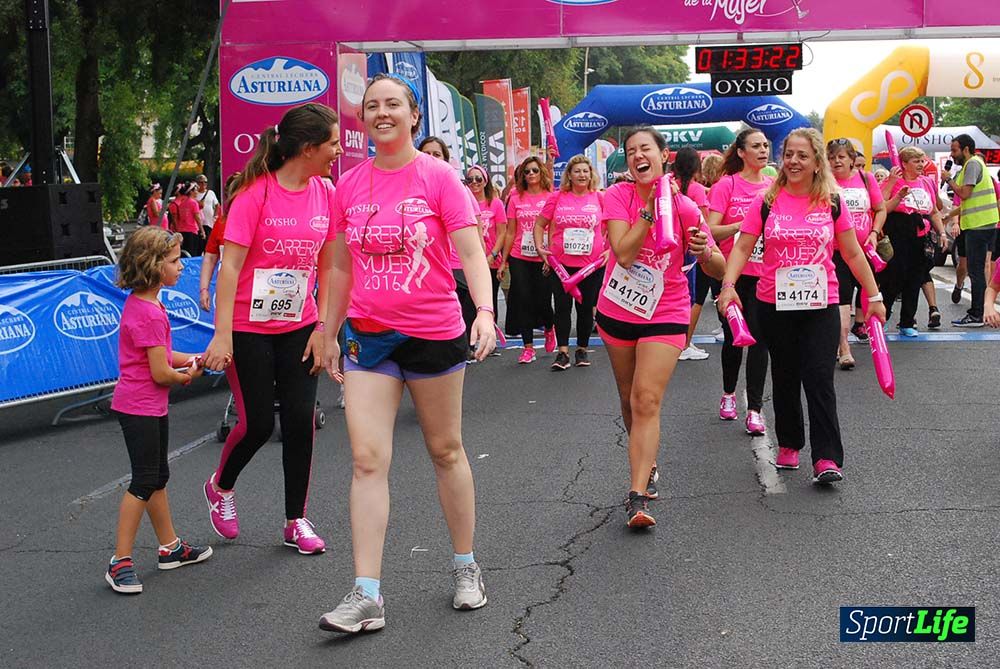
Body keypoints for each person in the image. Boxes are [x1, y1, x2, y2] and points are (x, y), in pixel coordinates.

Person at [317, 73, 496, 633]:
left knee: (445, 452)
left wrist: (485, 312)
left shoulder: (439, 176)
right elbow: (341, 265)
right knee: (368, 460)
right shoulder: (349, 184)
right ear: (362, 118)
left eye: (393, 103)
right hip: (369, 338)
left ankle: (466, 566)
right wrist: (327, 328)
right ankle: (366, 593)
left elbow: (470, 249)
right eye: (372, 106)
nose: (382, 112)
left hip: (433, 331)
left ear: (414, 115)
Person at [200, 103, 341, 555]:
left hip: (299, 325)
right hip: (248, 327)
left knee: (300, 422)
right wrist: (222, 334)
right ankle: (221, 486)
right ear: (308, 147)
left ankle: (295, 520)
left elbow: (329, 263)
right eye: (333, 143)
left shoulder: (326, 192)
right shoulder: (254, 194)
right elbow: (230, 266)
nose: (338, 151)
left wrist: (323, 326)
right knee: (258, 423)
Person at [719, 128, 886, 484]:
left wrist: (874, 297)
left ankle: (826, 457)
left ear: (816, 163)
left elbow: (852, 252)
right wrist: (729, 286)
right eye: (789, 155)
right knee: (785, 375)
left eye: (802, 156)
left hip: (821, 302)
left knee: (819, 378)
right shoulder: (767, 200)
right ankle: (790, 444)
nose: (794, 162)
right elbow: (743, 246)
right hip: (773, 303)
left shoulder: (832, 199)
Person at [597, 127, 724, 528]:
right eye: (631, 150)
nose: (637, 155)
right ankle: (646, 459)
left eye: (645, 148)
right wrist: (649, 210)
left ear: (663, 155)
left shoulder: (687, 208)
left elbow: (718, 268)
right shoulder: (617, 197)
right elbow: (624, 252)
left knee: (646, 399)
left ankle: (637, 497)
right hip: (618, 307)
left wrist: (706, 254)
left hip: (666, 310)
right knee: (627, 395)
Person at [105, 227, 212, 594]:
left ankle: (170, 547)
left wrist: (197, 358)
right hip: (139, 407)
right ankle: (119, 561)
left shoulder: (148, 305)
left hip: (146, 405)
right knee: (144, 480)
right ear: (153, 267)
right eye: (174, 260)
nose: (181, 266)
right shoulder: (149, 313)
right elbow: (161, 372)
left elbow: (164, 356)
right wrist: (190, 375)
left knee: (157, 476)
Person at [706, 128, 773, 435]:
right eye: (756, 146)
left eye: (766, 145)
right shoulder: (726, 185)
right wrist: (744, 226)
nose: (763, 150)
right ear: (742, 152)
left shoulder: (775, 186)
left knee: (760, 341)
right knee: (735, 337)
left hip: (766, 275)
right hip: (734, 274)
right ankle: (729, 393)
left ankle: (756, 409)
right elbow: (711, 232)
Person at [534, 154, 606, 370]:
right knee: (562, 307)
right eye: (577, 171)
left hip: (590, 265)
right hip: (561, 264)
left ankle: (582, 349)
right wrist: (541, 248)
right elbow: (539, 225)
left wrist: (610, 251)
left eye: (585, 171)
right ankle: (563, 352)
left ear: (591, 174)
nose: (582, 175)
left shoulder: (600, 198)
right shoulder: (557, 198)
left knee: (585, 308)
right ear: (570, 175)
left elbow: (614, 226)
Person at [418, 136, 486, 361]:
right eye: (426, 153)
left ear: (446, 160)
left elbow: (476, 229)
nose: (430, 159)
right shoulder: (411, 189)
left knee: (461, 310)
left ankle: (464, 347)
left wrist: (482, 259)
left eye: (436, 154)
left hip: (459, 263)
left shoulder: (458, 188)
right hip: (432, 265)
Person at [827, 138, 887, 369]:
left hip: (865, 250)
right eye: (831, 158)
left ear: (852, 160)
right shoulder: (825, 182)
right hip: (836, 250)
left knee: (867, 293)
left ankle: (870, 335)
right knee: (841, 299)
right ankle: (844, 348)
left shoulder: (866, 178)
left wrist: (874, 232)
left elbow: (880, 209)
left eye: (841, 157)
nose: (836, 162)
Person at [881, 147, 947, 336]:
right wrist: (895, 189)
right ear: (904, 163)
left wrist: (941, 232)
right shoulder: (892, 181)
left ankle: (907, 322)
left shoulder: (926, 182)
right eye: (916, 161)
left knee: (915, 278)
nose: (921, 165)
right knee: (893, 278)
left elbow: (933, 211)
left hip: (920, 234)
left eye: (922, 161)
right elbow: (880, 206)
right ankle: (883, 316)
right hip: (898, 231)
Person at [502, 155, 556, 363]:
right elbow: (510, 232)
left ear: (541, 172)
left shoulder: (550, 196)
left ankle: (549, 327)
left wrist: (549, 254)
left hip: (543, 255)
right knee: (522, 299)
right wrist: (505, 260)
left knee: (542, 299)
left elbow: (554, 228)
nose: (531, 174)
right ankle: (528, 347)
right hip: (519, 255)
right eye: (527, 171)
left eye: (534, 170)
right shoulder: (516, 198)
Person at [943, 134, 999, 326]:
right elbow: (970, 200)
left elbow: (964, 194)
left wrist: (949, 180)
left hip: (979, 225)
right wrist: (950, 215)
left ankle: (977, 314)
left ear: (966, 149)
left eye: (954, 150)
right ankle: (979, 311)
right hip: (983, 223)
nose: (952, 155)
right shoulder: (974, 164)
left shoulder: (972, 164)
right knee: (976, 269)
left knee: (975, 271)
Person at [671, 147, 712, 361]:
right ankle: (683, 343)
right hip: (691, 249)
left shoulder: (669, 185)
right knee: (692, 298)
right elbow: (704, 222)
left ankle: (679, 341)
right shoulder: (695, 189)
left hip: (671, 247)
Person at [466, 164, 507, 325]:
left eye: (478, 178)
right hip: (469, 260)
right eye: (470, 179)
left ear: (485, 181)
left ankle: (490, 336)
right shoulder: (464, 203)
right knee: (470, 302)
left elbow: (502, 232)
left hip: (491, 260)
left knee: (489, 300)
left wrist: (493, 255)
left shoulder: (495, 203)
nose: (474, 182)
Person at [199, 173, 240, 312]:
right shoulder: (221, 223)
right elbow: (210, 258)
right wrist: (204, 289)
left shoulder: (262, 222)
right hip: (226, 289)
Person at [168, 182, 206, 256]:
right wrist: (202, 231)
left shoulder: (181, 203)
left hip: (183, 231)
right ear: (191, 191)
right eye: (195, 190)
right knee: (193, 254)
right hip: (192, 231)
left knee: (185, 253)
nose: (197, 192)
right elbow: (197, 217)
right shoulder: (194, 203)